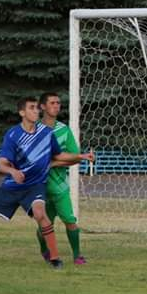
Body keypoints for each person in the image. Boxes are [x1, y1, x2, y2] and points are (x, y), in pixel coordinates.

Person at [0, 96, 95, 268]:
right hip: (11, 186)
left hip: (35, 186)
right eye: (32, 108)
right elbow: (1, 164)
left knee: (41, 215)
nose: (36, 111)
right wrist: (12, 171)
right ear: (22, 112)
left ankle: (54, 259)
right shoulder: (13, 134)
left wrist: (81, 156)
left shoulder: (46, 134)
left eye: (37, 108)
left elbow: (58, 156)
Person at [35, 92, 87, 265]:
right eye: (52, 103)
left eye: (58, 103)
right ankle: (44, 250)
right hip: (38, 186)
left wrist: (53, 163)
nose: (56, 106)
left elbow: (75, 156)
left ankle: (77, 255)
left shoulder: (63, 130)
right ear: (42, 106)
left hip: (59, 186)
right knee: (44, 224)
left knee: (69, 220)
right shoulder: (33, 129)